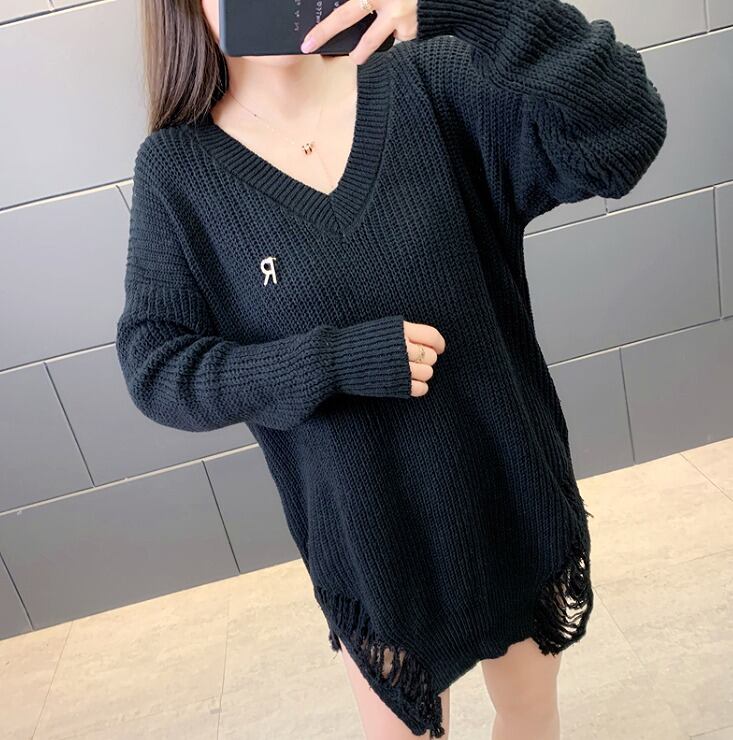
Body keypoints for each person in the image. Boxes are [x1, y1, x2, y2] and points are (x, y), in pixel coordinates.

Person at [116, 0, 668, 737]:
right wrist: (330, 361)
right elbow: (157, 367)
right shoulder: (179, 171)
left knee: (529, 712)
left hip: (508, 495)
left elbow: (623, 133)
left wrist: (461, 7)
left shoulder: (434, 81)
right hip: (372, 546)